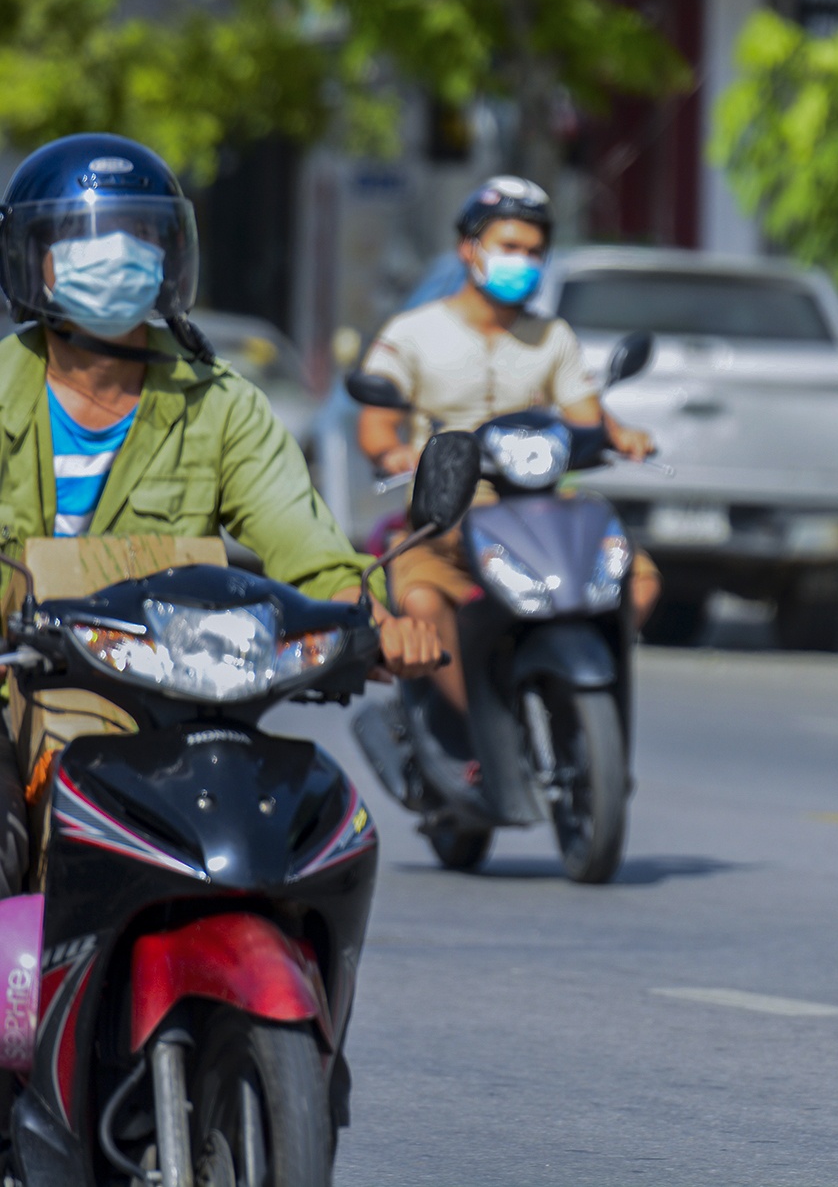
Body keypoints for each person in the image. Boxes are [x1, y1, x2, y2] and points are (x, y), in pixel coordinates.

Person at [0, 133, 448, 892]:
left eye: (138, 235)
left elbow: (306, 543)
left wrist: (374, 622)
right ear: (33, 259)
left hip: (176, 701)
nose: (117, 255)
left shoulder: (222, 404)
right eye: (87, 238)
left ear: (169, 255)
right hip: (14, 688)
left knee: (297, 840)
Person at [355, 176, 660, 717]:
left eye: (534, 252)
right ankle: (476, 729)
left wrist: (620, 434)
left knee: (637, 579)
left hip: (538, 514)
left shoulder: (553, 337)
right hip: (445, 519)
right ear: (468, 248)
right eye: (510, 247)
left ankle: (578, 693)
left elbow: (585, 414)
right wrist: (392, 453)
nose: (523, 261)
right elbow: (377, 423)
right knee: (421, 601)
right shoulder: (413, 332)